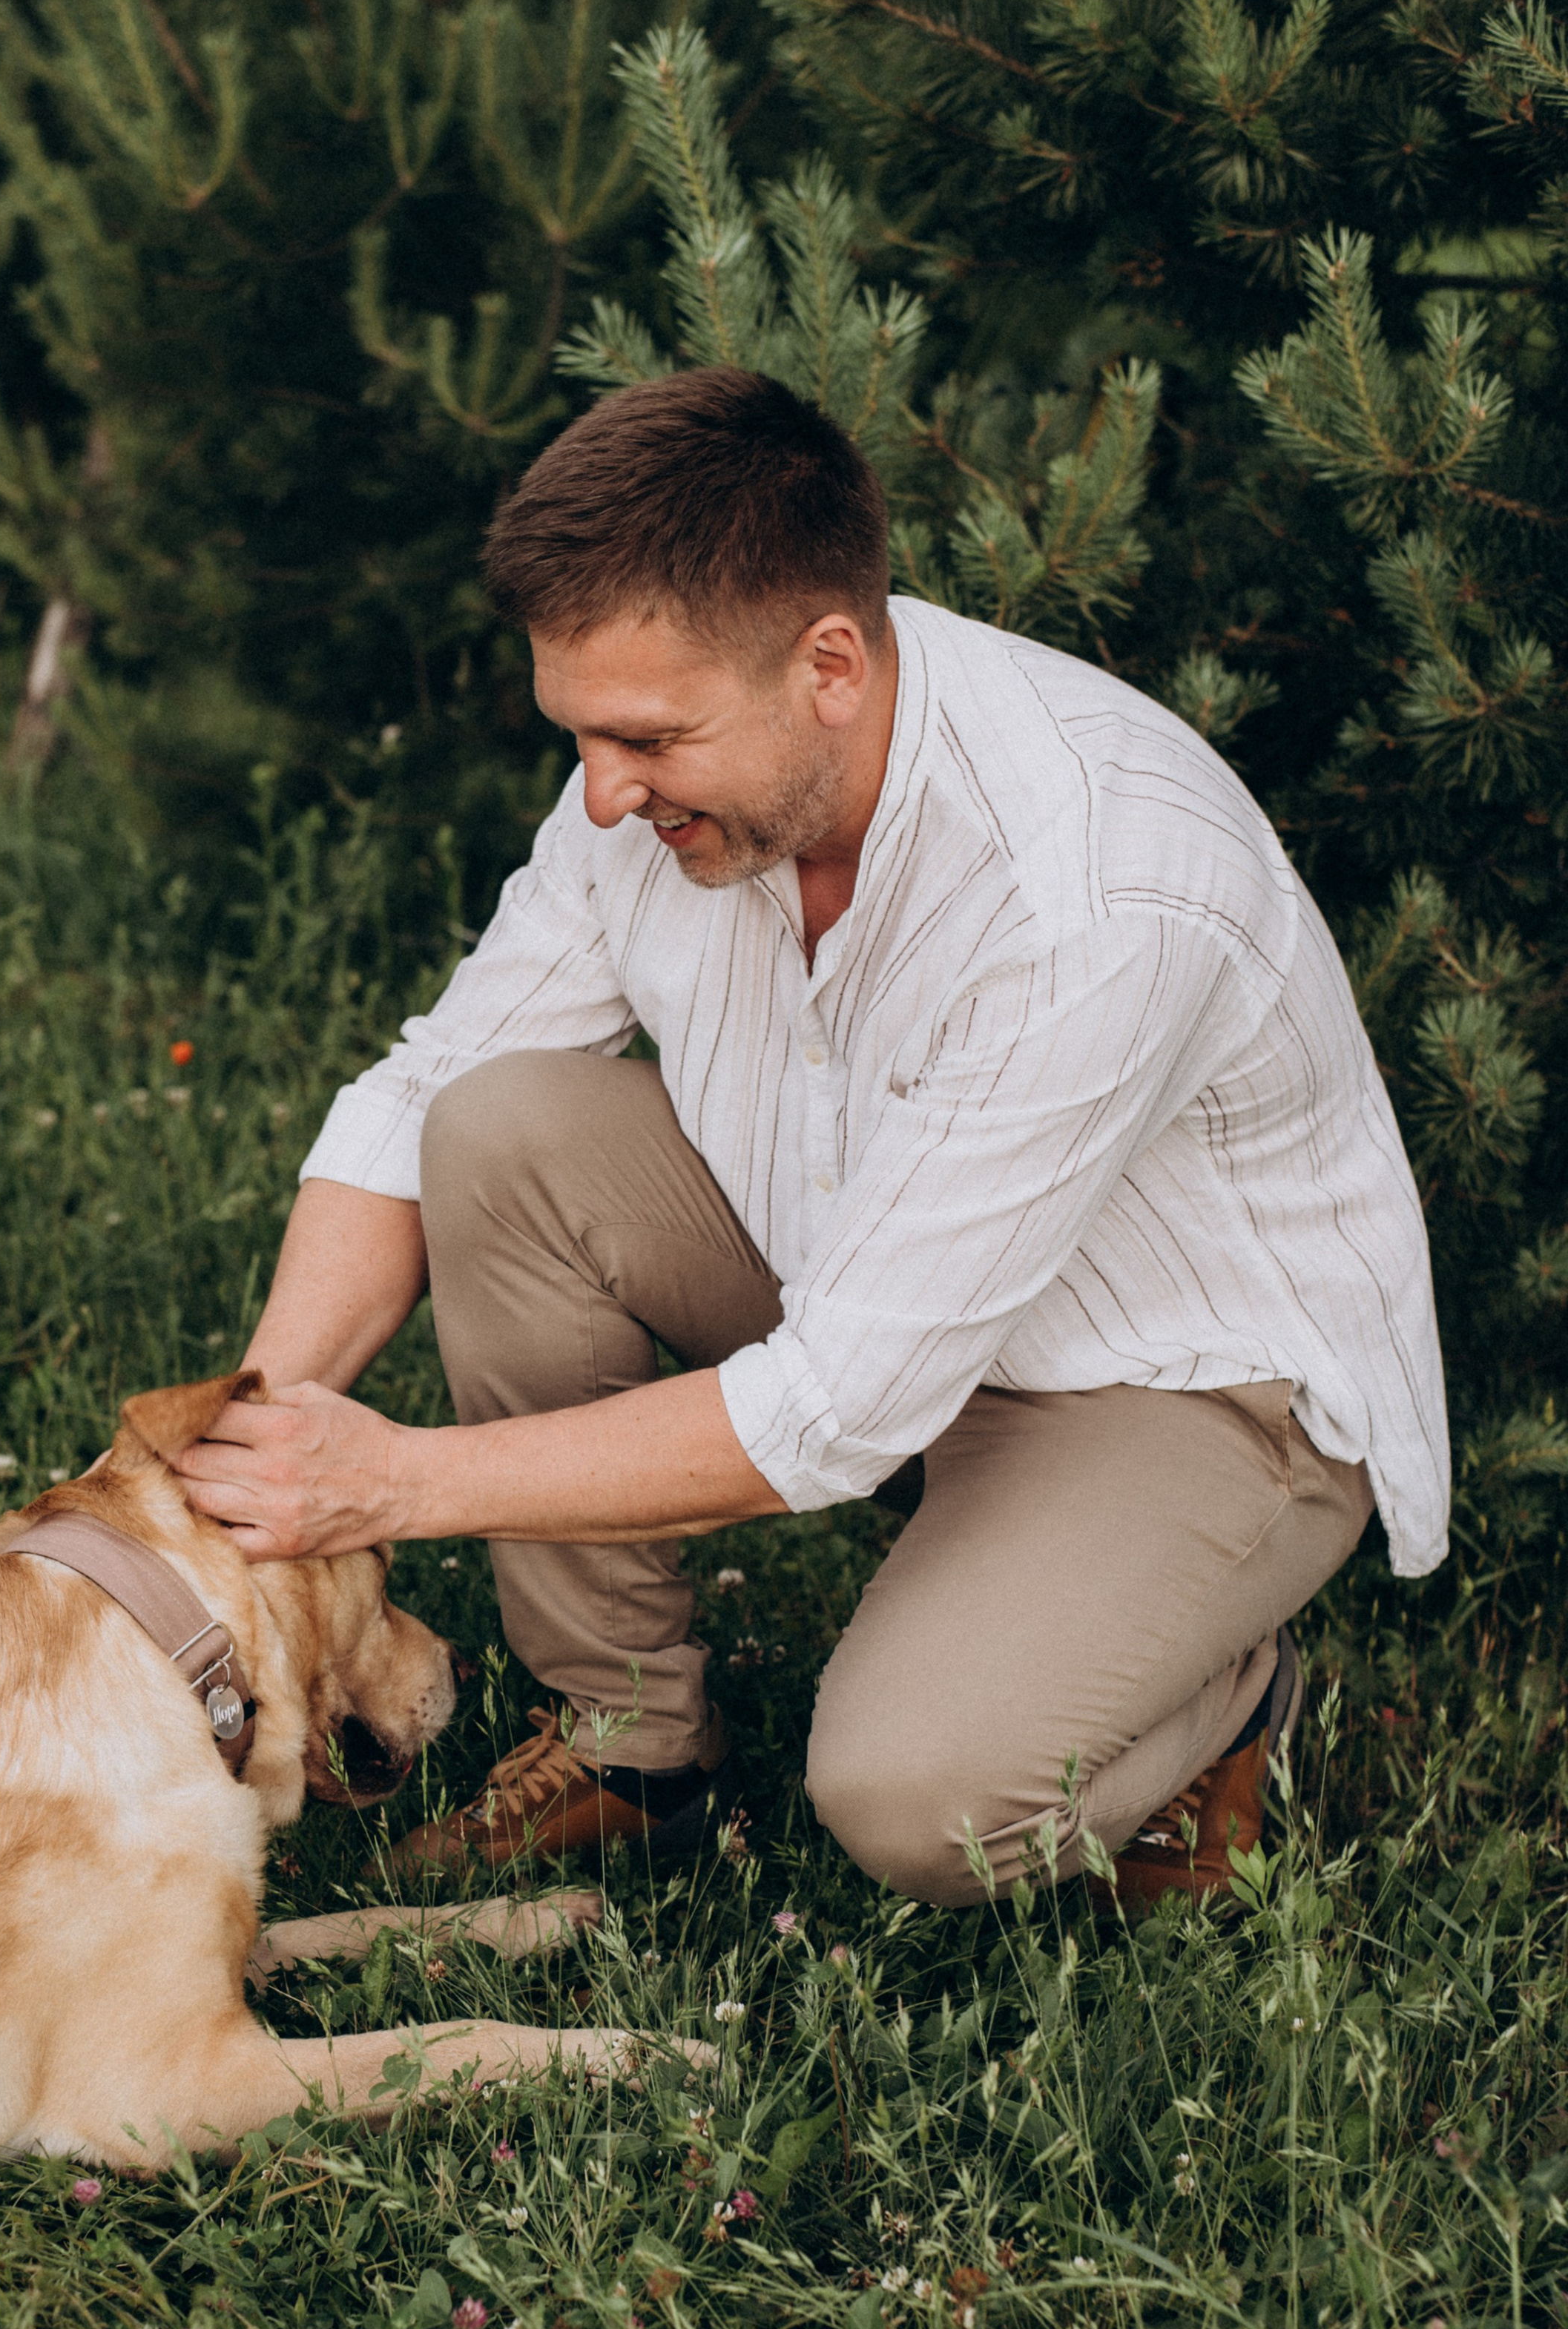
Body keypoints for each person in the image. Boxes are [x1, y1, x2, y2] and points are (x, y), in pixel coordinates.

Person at [174, 367, 1448, 1911]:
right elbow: (414, 1092)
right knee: (494, 1124)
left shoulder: (1094, 891)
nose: (594, 796)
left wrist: (389, 1485)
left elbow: (836, 1407)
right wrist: (247, 1434)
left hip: (1186, 1388)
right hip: (876, 1281)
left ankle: (1226, 1709)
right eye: (574, 734)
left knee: (916, 1799)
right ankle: (624, 1742)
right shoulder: (655, 797)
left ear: (828, 664)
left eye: (645, 737)